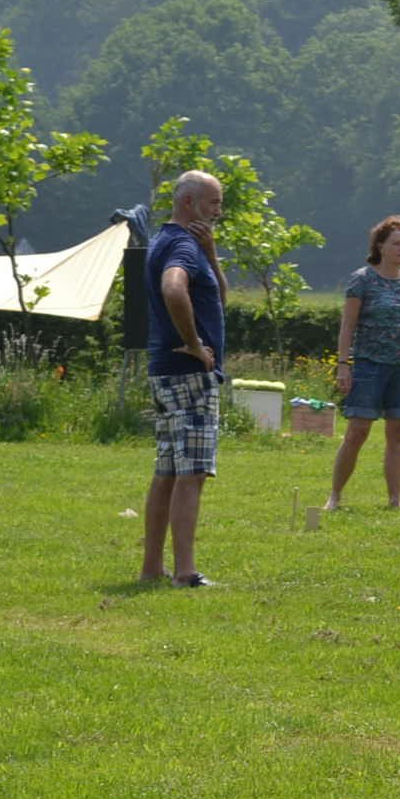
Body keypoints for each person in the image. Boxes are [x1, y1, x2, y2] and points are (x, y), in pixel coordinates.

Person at [141, 170, 227, 587]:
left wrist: (211, 255)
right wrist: (194, 343)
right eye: (213, 203)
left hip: (165, 371)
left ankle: (152, 568)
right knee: (192, 473)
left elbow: (217, 301)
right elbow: (174, 288)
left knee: (168, 472)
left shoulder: (166, 240)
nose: (218, 211)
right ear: (189, 203)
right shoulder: (181, 245)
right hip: (190, 374)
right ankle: (186, 572)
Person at [326, 215, 400, 510]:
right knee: (358, 431)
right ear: (380, 246)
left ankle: (395, 500)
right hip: (369, 364)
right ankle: (335, 496)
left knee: (398, 432)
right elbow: (347, 327)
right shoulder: (362, 280)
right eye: (396, 243)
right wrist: (343, 364)